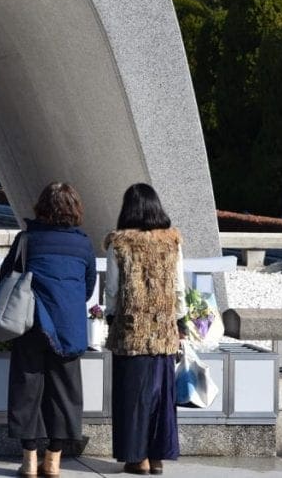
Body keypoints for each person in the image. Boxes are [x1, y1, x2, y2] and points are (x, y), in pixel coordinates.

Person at [0, 181, 97, 477]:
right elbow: (89, 287)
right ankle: (54, 460)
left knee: (26, 390)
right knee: (64, 393)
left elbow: (6, 276)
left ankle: (29, 461)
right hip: (67, 328)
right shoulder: (83, 244)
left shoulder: (28, 239)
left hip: (30, 324)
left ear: (42, 207)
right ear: (74, 209)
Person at [104, 183, 187, 476]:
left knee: (132, 396)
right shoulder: (171, 241)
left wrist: (110, 317)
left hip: (131, 331)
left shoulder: (119, 243)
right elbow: (179, 287)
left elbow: (112, 290)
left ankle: (136, 458)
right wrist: (181, 321)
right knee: (160, 397)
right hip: (164, 332)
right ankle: (157, 457)